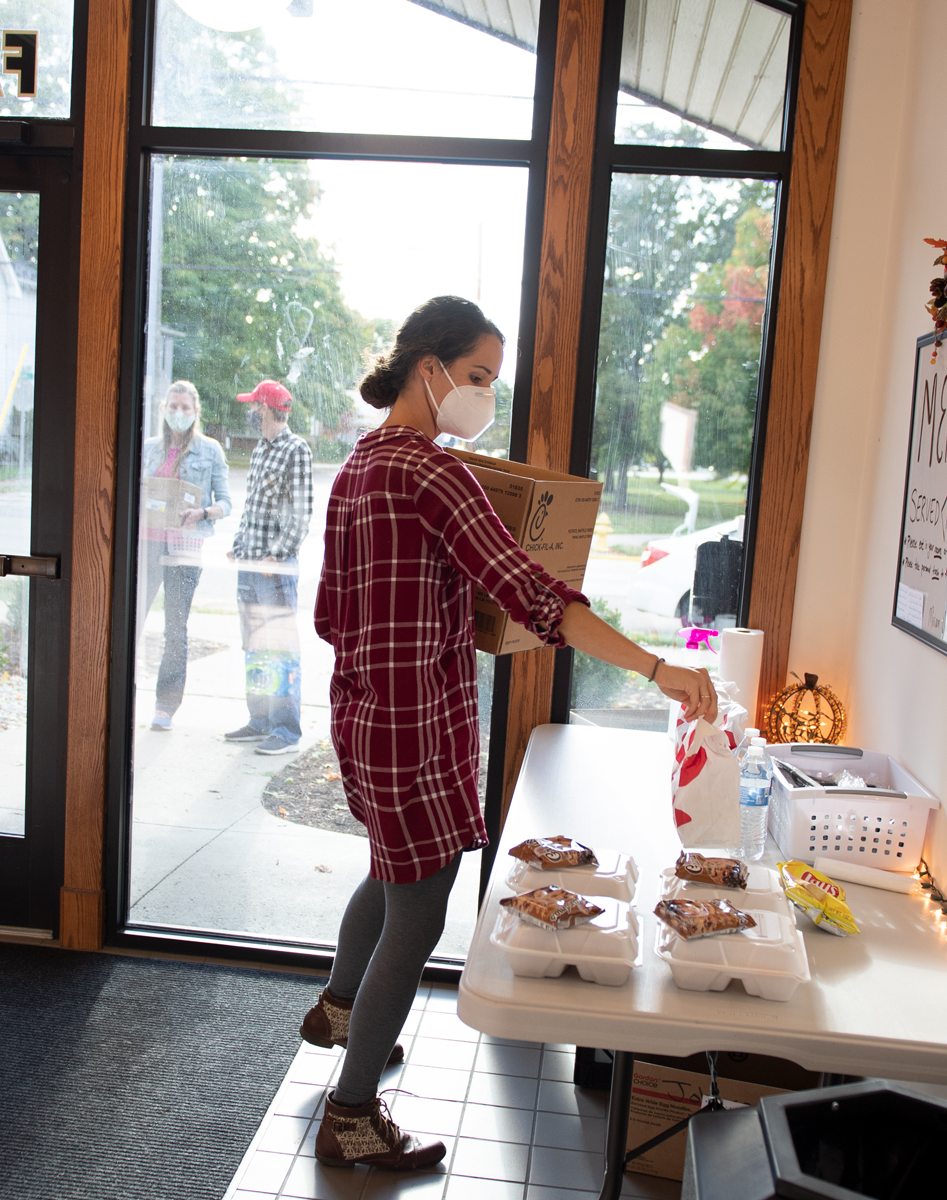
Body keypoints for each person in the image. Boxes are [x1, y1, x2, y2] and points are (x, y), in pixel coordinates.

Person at [300, 297, 718, 1171]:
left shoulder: (358, 467)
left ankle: (342, 1011)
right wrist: (660, 669)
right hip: (418, 727)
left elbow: (330, 615)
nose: (486, 394)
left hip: (363, 716)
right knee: (419, 909)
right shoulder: (434, 474)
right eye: (480, 377)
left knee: (387, 869)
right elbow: (538, 597)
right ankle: (351, 1114)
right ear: (431, 370)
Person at [224, 379, 312, 755]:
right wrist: (239, 547)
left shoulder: (296, 449)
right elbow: (253, 508)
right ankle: (259, 721)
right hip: (248, 564)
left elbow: (301, 513)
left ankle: (286, 730)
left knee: (280, 648)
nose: (251, 414)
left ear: (270, 409)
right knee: (255, 646)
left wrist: (275, 555)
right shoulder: (261, 449)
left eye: (255, 407)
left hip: (274, 569)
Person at [137, 381, 231, 731]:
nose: (178, 413)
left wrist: (203, 513)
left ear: (195, 413)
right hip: (146, 546)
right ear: (164, 409)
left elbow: (226, 502)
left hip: (185, 551)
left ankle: (165, 706)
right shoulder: (147, 449)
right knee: (130, 622)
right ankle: (122, 691)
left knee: (175, 630)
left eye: (185, 408)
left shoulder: (210, 451)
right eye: (173, 407)